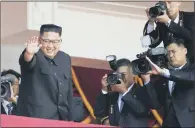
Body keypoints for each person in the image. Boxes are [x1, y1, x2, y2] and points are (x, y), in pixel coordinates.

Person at [16, 24, 73, 121]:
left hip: (60, 118)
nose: (50, 46)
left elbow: (69, 91)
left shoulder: (65, 58)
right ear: (39, 40)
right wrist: (29, 53)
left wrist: (71, 119)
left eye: (55, 42)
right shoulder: (34, 54)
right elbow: (26, 62)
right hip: (34, 119)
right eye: (46, 41)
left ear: (60, 41)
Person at [141, 38, 194, 127]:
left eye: (173, 51)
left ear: (185, 51)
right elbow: (156, 104)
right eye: (168, 53)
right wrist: (147, 81)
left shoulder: (191, 70)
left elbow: (189, 77)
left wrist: (164, 73)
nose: (171, 55)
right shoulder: (163, 75)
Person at [94, 59, 151, 127]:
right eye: (118, 75)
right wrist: (104, 90)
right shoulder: (113, 93)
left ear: (133, 74)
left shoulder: (141, 90)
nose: (120, 78)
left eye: (123, 74)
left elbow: (142, 111)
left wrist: (124, 92)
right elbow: (98, 113)